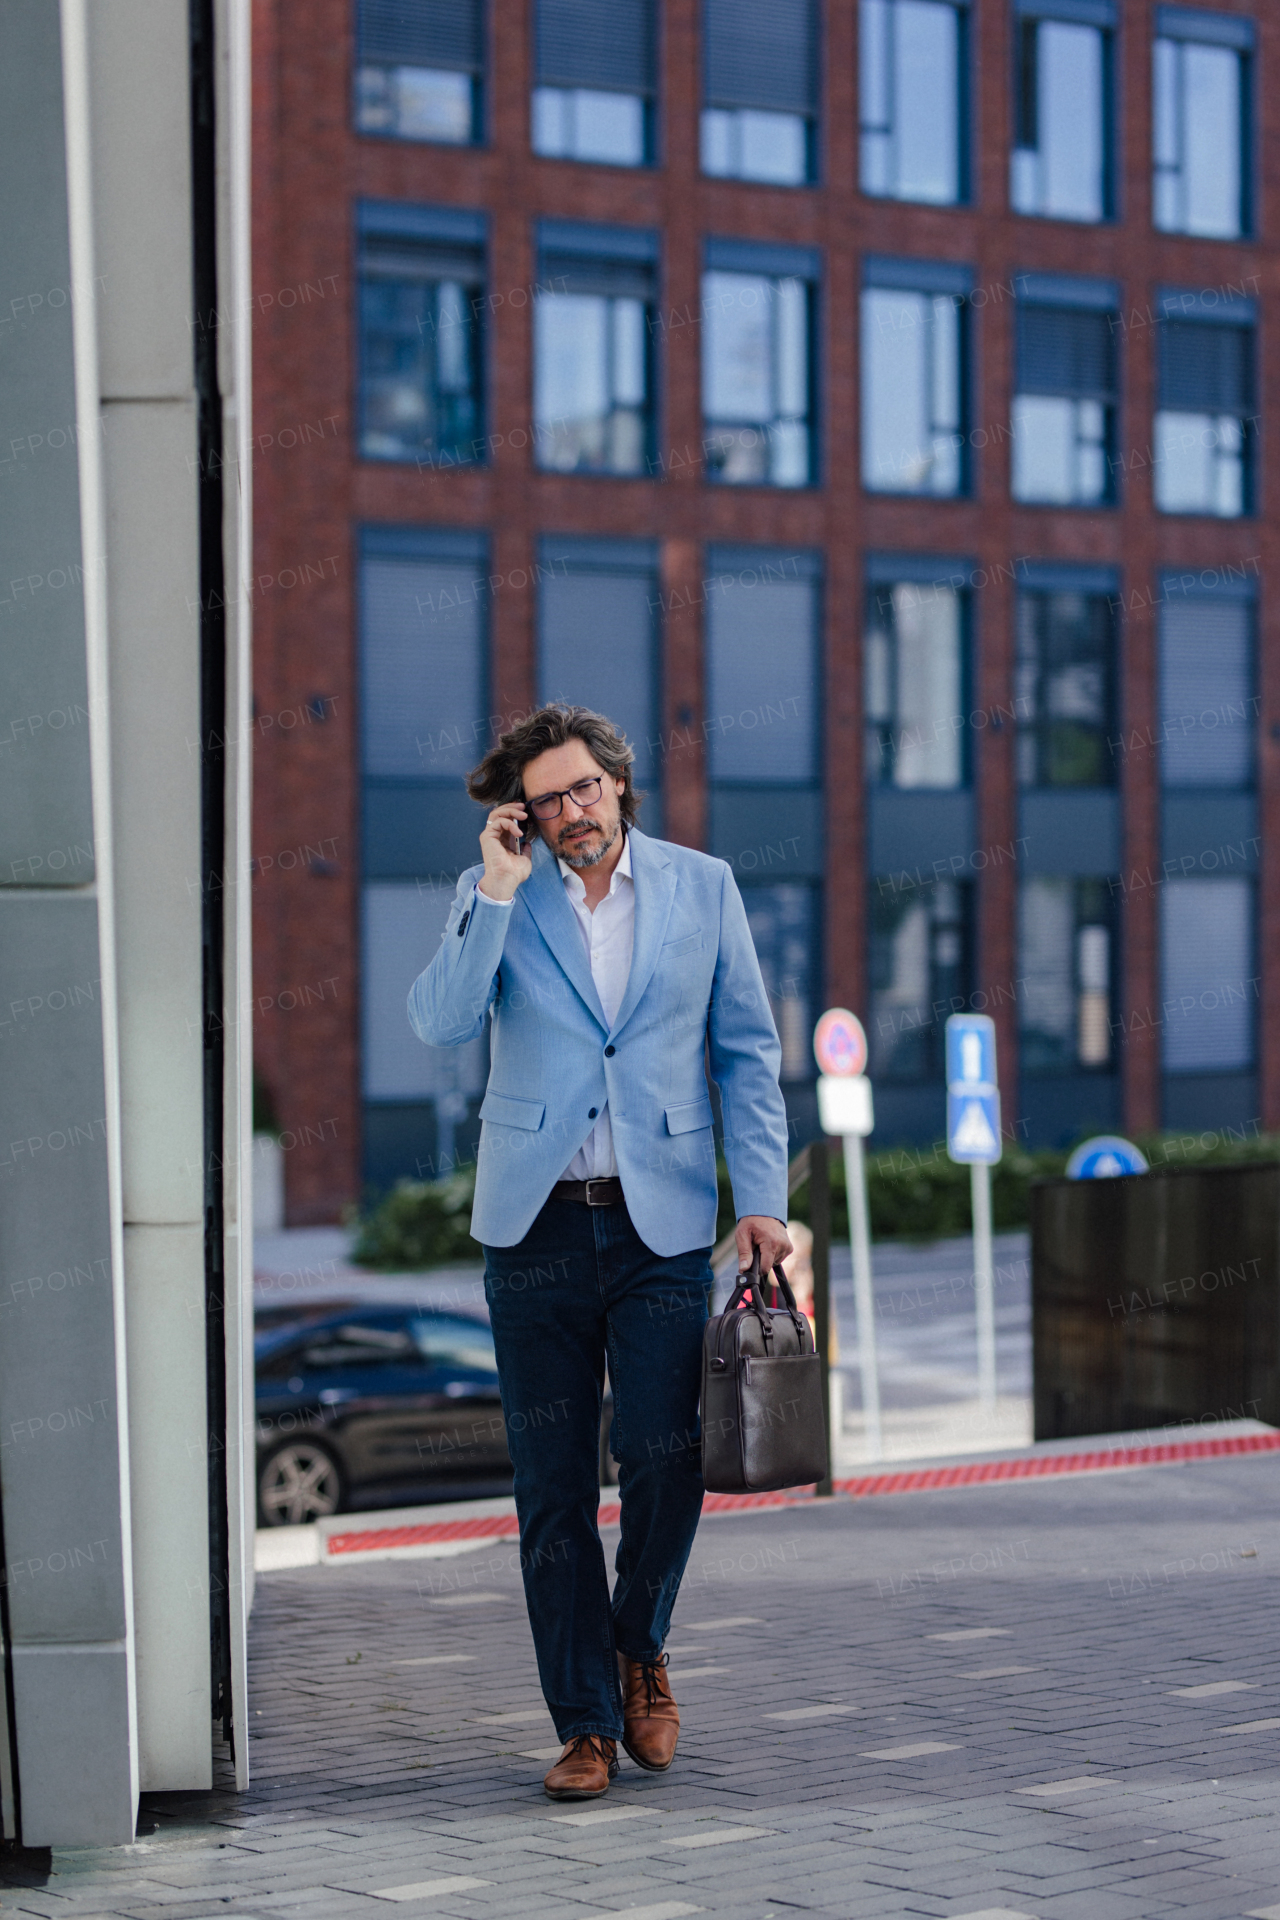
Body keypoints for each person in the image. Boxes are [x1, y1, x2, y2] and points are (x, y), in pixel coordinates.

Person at [408, 704, 791, 1801]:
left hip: (658, 1218)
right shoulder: (498, 893)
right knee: (551, 1488)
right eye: (545, 799)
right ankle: (582, 1722)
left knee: (668, 1459)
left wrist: (759, 1198)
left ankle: (639, 1648)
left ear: (620, 784)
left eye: (583, 789)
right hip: (531, 1224)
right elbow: (438, 1023)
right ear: (519, 814)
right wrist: (490, 889)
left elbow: (746, 1054)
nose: (569, 813)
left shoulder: (701, 887)